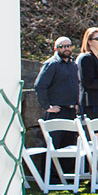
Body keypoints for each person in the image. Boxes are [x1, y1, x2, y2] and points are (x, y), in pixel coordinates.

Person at [33, 36, 80, 175]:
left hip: (70, 111)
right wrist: (47, 106)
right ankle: (50, 177)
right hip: (56, 112)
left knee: (68, 145)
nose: (66, 49)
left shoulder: (73, 65)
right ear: (56, 49)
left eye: (68, 46)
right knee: (53, 145)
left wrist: (77, 104)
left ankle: (65, 176)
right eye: (62, 46)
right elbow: (40, 86)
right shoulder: (52, 64)